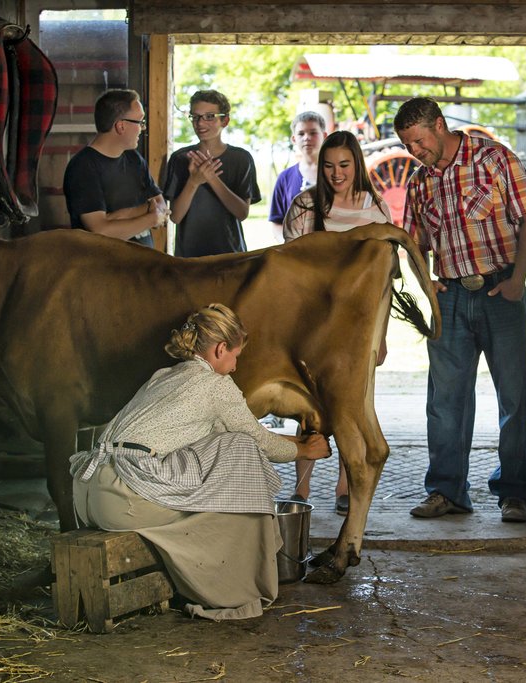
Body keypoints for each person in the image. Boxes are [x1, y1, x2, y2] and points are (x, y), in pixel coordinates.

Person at [70, 304, 330, 620]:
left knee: (231, 449)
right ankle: (227, 588)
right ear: (221, 349)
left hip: (89, 490)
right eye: (235, 356)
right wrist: (306, 451)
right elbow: (257, 441)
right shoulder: (216, 386)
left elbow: (235, 431)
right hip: (125, 496)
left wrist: (300, 443)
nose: (235, 366)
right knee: (236, 502)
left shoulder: (165, 375)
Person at [396, 97, 526, 524]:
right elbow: (413, 243)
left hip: (502, 290)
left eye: (419, 141)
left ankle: (513, 493)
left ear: (439, 125)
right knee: (445, 400)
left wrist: (517, 281)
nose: (414, 151)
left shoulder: (493, 158)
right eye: (407, 144)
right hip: (451, 297)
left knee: (514, 398)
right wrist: (429, 285)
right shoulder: (420, 181)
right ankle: (446, 491)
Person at [282, 130, 391, 515]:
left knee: (351, 409)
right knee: (309, 408)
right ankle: (301, 487)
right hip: (311, 324)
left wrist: (382, 336)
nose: (336, 173)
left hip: (358, 329)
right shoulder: (304, 205)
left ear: (356, 164)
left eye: (344, 165)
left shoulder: (374, 207)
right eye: (328, 166)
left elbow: (384, 281)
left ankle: (345, 487)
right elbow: (285, 270)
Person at [63, 89, 167, 247]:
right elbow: (100, 231)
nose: (143, 128)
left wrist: (116, 217)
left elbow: (160, 204)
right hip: (105, 270)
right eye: (140, 122)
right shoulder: (83, 167)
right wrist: (150, 217)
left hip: (142, 268)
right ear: (121, 126)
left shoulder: (134, 158)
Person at [163, 90, 261, 257]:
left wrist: (211, 178)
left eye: (209, 116)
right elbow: (176, 217)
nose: (200, 123)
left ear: (225, 120)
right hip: (189, 258)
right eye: (195, 117)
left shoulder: (241, 159)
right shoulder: (179, 159)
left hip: (230, 256)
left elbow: (242, 213)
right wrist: (194, 182)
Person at [269, 111, 326, 242]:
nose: (307, 138)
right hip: (296, 254)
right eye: (301, 134)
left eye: (313, 133)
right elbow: (277, 221)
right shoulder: (284, 178)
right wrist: (287, 244)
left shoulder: (335, 174)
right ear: (294, 139)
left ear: (324, 136)